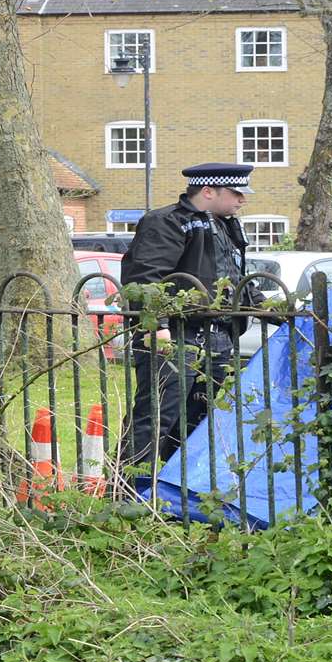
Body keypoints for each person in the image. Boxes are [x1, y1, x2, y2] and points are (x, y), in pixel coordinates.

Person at [118, 162, 254, 468]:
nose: (242, 200)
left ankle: (173, 492)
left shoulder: (225, 224)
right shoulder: (165, 222)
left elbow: (236, 279)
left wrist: (282, 312)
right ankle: (128, 489)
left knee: (199, 422)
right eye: (236, 192)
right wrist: (158, 327)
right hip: (176, 335)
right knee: (154, 418)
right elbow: (144, 280)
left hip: (217, 338)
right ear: (208, 191)